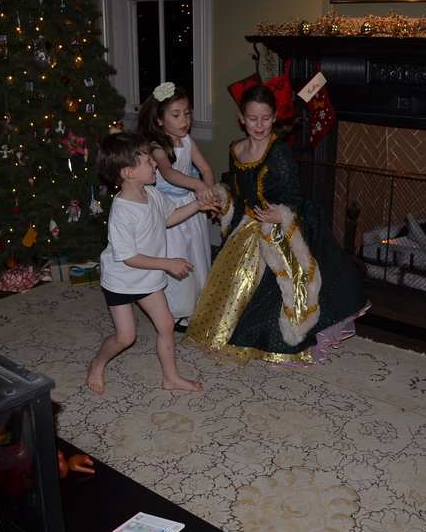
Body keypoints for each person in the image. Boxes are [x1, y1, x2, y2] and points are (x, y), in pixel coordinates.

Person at [182, 84, 370, 366]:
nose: (259, 125)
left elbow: (294, 195)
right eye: (253, 118)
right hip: (245, 228)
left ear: (274, 118)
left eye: (266, 118)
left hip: (275, 231)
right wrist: (223, 196)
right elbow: (234, 184)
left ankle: (269, 340)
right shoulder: (236, 148)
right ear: (241, 118)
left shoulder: (278, 153)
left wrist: (281, 215)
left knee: (273, 289)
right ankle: (225, 333)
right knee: (233, 285)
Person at [88, 132, 219, 395]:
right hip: (121, 280)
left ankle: (171, 377)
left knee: (166, 324)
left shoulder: (152, 193)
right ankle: (97, 363)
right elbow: (129, 257)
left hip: (148, 278)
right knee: (126, 337)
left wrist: (197, 206)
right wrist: (167, 263)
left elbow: (168, 218)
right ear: (129, 172)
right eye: (148, 161)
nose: (155, 163)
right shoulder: (123, 211)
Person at [136, 82, 216, 332]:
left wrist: (208, 193)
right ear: (159, 119)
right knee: (177, 255)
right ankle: (175, 309)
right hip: (169, 209)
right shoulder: (157, 146)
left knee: (195, 254)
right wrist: (196, 184)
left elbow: (206, 169)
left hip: (190, 206)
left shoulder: (187, 140)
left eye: (187, 113)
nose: (184, 120)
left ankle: (195, 304)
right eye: (176, 115)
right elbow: (169, 173)